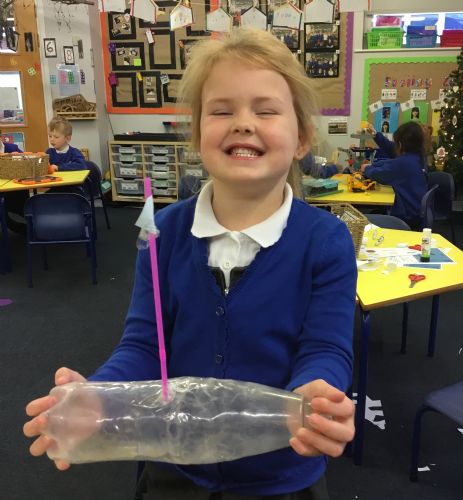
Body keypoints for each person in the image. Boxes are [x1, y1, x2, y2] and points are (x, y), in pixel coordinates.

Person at [24, 28, 357, 499]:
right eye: (221, 111)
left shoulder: (325, 241)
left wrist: (316, 394)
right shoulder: (163, 233)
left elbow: (326, 347)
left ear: (302, 137)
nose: (243, 123)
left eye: (265, 110)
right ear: (198, 135)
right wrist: (97, 395)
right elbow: (146, 344)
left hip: (282, 474)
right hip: (173, 469)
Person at [361, 121, 428, 228]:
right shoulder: (418, 157)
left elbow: (379, 174)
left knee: (361, 218)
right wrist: (373, 164)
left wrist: (367, 169)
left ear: (400, 144)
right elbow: (391, 163)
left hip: (406, 215)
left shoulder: (403, 163)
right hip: (416, 211)